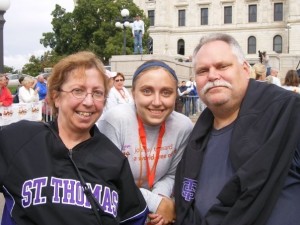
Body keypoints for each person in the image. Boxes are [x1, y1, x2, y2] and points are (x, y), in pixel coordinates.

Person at [0, 51, 148, 225]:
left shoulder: (114, 159)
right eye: (78, 91)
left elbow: (133, 217)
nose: (88, 101)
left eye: (98, 93)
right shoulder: (19, 139)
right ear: (56, 97)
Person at [174, 33, 300, 225]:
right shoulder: (195, 139)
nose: (213, 75)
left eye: (222, 66)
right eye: (202, 71)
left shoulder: (288, 113)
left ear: (245, 69)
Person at [98, 60, 194, 224]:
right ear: (133, 93)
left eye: (166, 92)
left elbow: (172, 174)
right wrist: (155, 204)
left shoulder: (184, 126)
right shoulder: (114, 120)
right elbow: (107, 181)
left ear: (175, 95)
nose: (157, 102)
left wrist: (159, 204)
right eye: (147, 91)